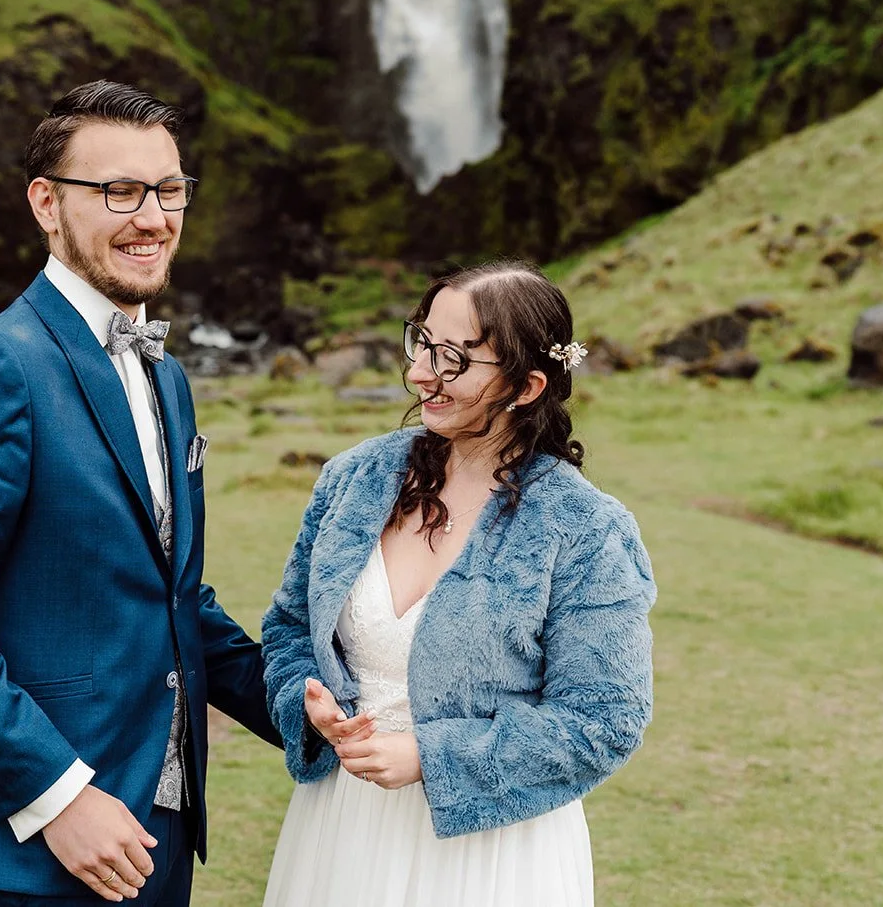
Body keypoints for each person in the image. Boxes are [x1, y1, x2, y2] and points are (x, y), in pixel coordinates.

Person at [0, 80, 280, 906]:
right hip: (43, 840)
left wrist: (306, 708)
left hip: (158, 821)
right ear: (47, 204)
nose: (153, 217)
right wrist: (56, 794)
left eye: (169, 190)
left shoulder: (166, 379)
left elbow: (174, 600)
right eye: (119, 191)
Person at [260, 260, 656, 906]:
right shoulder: (353, 480)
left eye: (453, 358)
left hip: (488, 857)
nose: (420, 373)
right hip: (337, 827)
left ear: (526, 387)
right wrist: (307, 704)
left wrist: (429, 757)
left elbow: (605, 718)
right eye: (422, 342)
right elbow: (288, 630)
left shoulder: (586, 530)